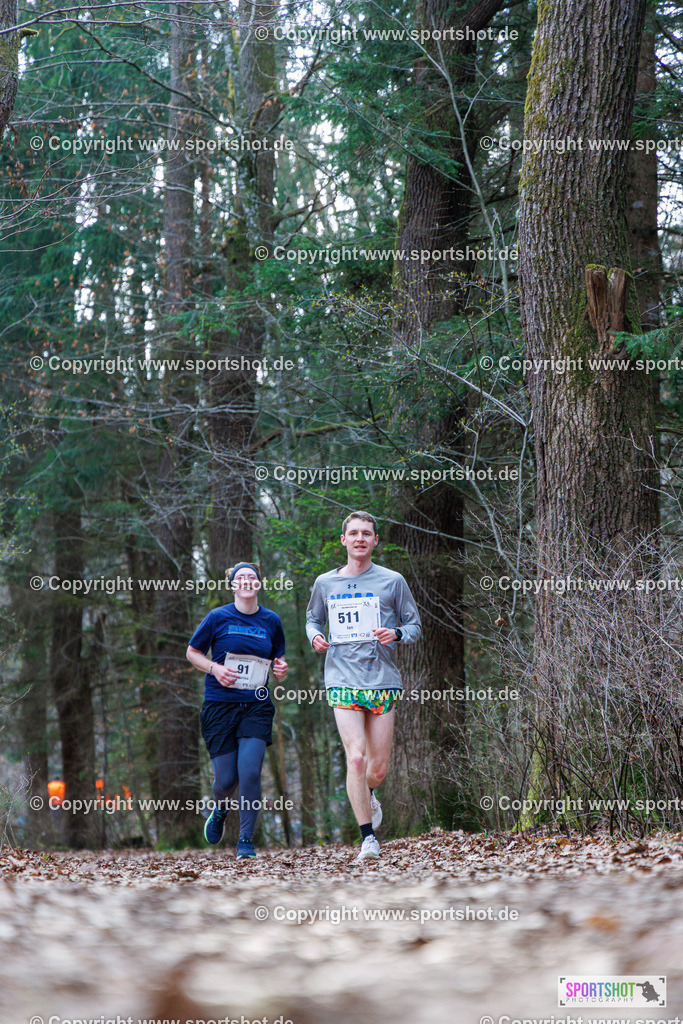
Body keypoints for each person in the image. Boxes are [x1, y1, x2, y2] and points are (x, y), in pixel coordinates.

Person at [305, 511, 421, 862]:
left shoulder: (392, 581)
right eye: (353, 533)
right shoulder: (325, 583)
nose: (359, 539)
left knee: (377, 768)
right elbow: (312, 618)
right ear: (343, 540)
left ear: (374, 541)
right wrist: (315, 637)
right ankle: (368, 839)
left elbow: (414, 625)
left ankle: (369, 792)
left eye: (366, 534)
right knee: (355, 757)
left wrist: (396, 633)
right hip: (341, 677)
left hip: (382, 680)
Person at [186, 562, 288, 858]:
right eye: (240, 578)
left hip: (255, 705)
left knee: (251, 772)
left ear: (259, 584)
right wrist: (215, 668)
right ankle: (220, 809)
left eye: (252, 577)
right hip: (220, 705)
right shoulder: (217, 617)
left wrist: (281, 667)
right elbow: (192, 652)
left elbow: (277, 658)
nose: (246, 581)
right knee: (227, 780)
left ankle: (246, 841)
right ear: (232, 585)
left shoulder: (271, 620)